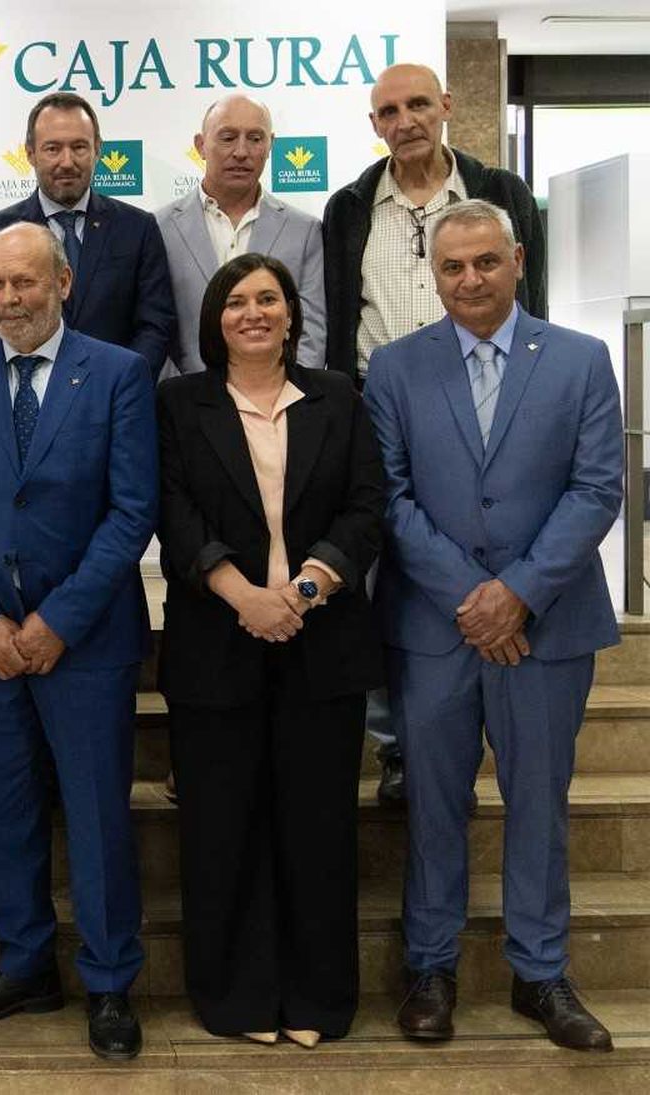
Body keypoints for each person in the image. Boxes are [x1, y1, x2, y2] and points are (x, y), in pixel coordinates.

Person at [365, 200, 620, 1052]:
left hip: (545, 628)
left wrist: (517, 593)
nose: (469, 279)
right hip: (436, 629)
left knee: (539, 803)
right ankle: (430, 967)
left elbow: (597, 489)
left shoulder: (582, 360)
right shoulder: (395, 368)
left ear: (515, 260)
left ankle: (540, 971)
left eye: (484, 262)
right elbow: (389, 498)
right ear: (433, 276)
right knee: (434, 803)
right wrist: (472, 597)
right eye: (451, 267)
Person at [0, 223, 156, 1061]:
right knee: (7, 815)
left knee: (95, 818)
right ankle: (23, 965)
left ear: (61, 280)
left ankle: (108, 980)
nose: (10, 299)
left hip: (84, 642)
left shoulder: (120, 373)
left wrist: (58, 620)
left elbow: (133, 511)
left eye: (26, 283)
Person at [155, 253, 385, 1046]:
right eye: (236, 300)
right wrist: (243, 595)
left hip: (322, 644)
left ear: (293, 313)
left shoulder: (340, 398)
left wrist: (306, 590)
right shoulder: (180, 402)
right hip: (217, 640)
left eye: (269, 299)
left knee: (318, 828)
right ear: (215, 318)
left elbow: (366, 505)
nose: (252, 312)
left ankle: (318, 998)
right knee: (224, 827)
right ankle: (238, 997)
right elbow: (173, 510)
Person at [323, 62, 546, 805]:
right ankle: (396, 744)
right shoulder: (351, 205)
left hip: (488, 402)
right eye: (389, 110)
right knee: (386, 574)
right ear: (375, 124)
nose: (406, 118)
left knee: (488, 550)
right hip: (379, 404)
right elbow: (336, 311)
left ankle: (497, 714)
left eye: (419, 103)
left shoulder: (501, 193)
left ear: (446, 106)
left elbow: (530, 300)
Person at [0, 92, 175, 381]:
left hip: (115, 399)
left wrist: (121, 383)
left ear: (97, 149)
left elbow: (156, 326)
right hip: (27, 399)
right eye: (52, 149)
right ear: (30, 153)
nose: (67, 162)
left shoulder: (137, 228)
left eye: (79, 147)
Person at [157, 95, 325, 377]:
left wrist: (285, 396)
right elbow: (152, 329)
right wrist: (181, 399)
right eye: (227, 137)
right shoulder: (158, 228)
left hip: (279, 408)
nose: (241, 151)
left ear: (270, 145)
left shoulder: (305, 230)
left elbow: (311, 332)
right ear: (200, 145)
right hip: (184, 408)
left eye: (255, 138)